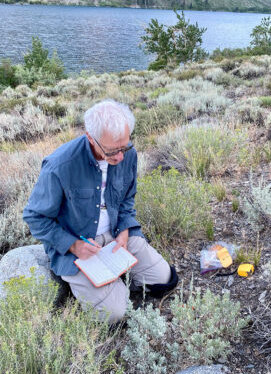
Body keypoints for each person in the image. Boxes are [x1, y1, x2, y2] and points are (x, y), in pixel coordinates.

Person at [23, 99, 177, 324]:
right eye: (113, 151)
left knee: (163, 280)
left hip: (117, 237)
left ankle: (111, 281)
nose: (121, 157)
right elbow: (34, 217)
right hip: (81, 246)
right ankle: (91, 284)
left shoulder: (128, 154)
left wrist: (124, 229)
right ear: (90, 138)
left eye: (125, 147)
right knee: (115, 314)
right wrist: (74, 245)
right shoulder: (60, 165)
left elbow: (126, 199)